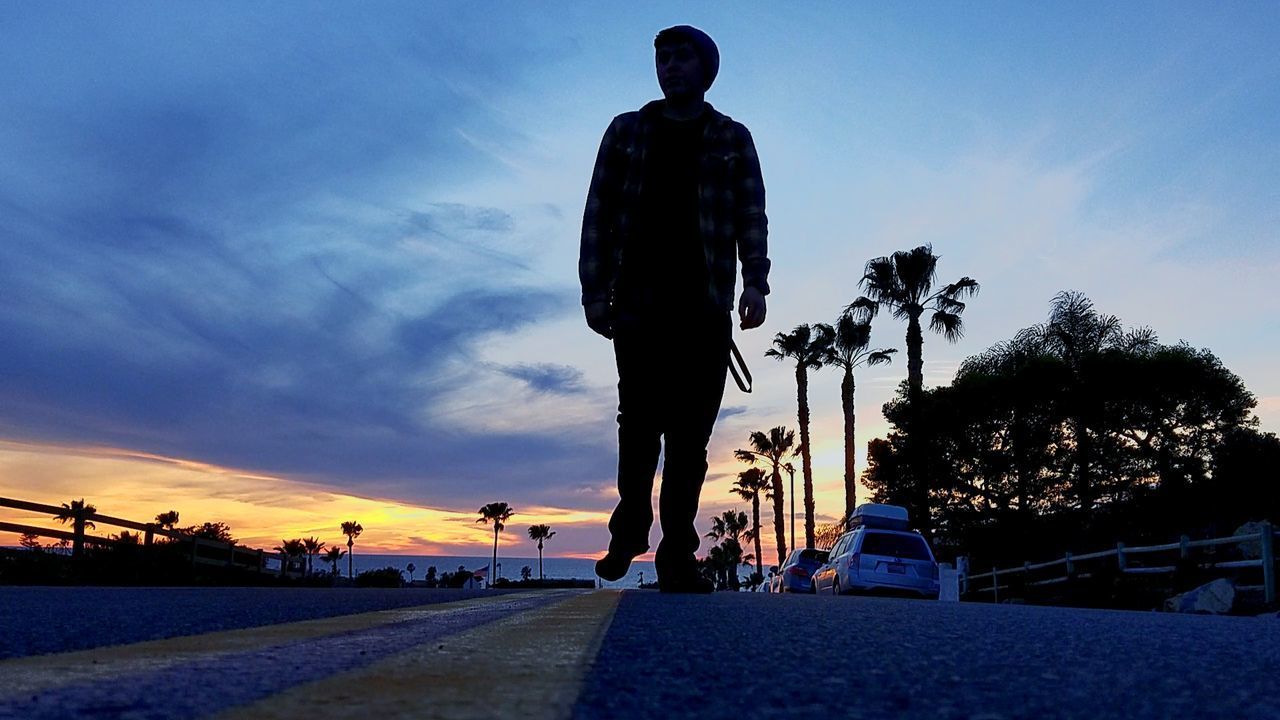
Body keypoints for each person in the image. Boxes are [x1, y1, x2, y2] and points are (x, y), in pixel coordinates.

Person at [579, 25, 770, 593]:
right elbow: (599, 211)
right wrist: (593, 291)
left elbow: (750, 214)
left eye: (682, 58)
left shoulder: (732, 137)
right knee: (638, 426)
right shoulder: (626, 131)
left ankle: (677, 556)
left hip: (705, 310)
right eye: (662, 58)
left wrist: (755, 284)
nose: (670, 67)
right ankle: (630, 530)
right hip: (636, 305)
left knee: (689, 438)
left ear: (705, 70)